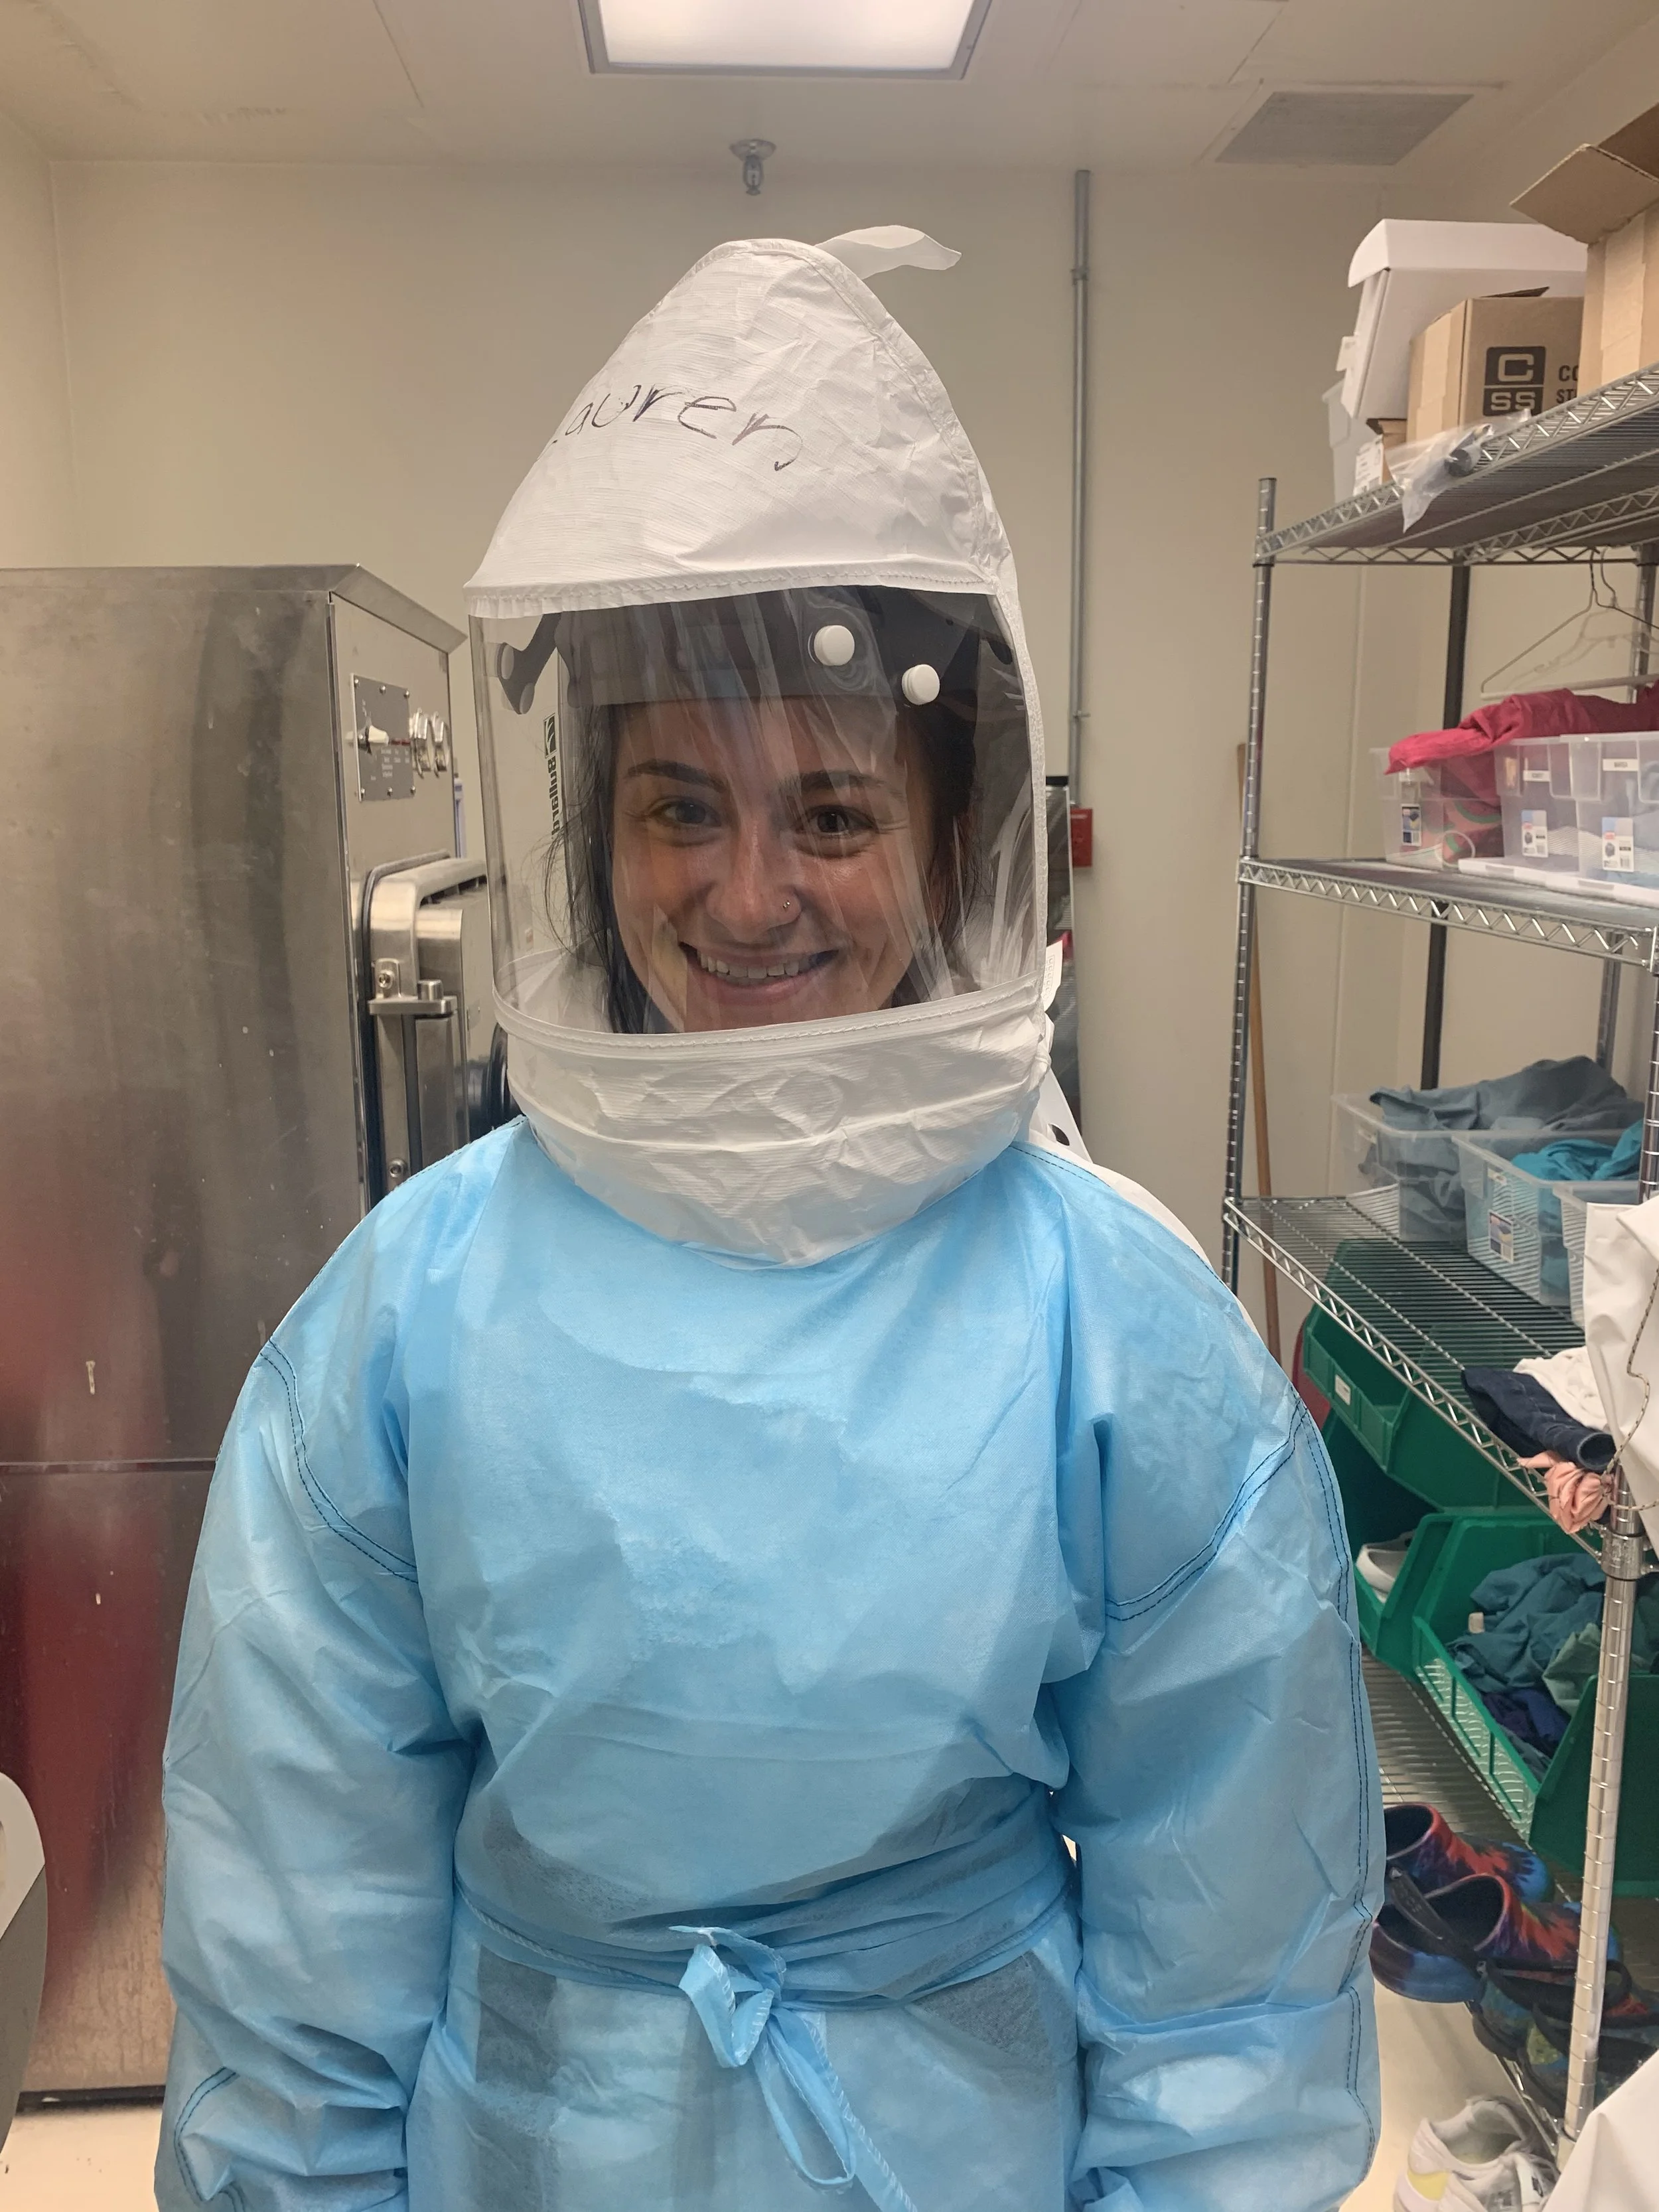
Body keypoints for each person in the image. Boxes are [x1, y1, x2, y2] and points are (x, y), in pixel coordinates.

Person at [156, 230, 1382, 2212]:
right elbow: (295, 1928)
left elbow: (1229, 1982)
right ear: (586, 830)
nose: (745, 898)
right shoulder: (409, 1313)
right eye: (676, 808)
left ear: (948, 837)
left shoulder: (1111, 1324)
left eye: (827, 813)